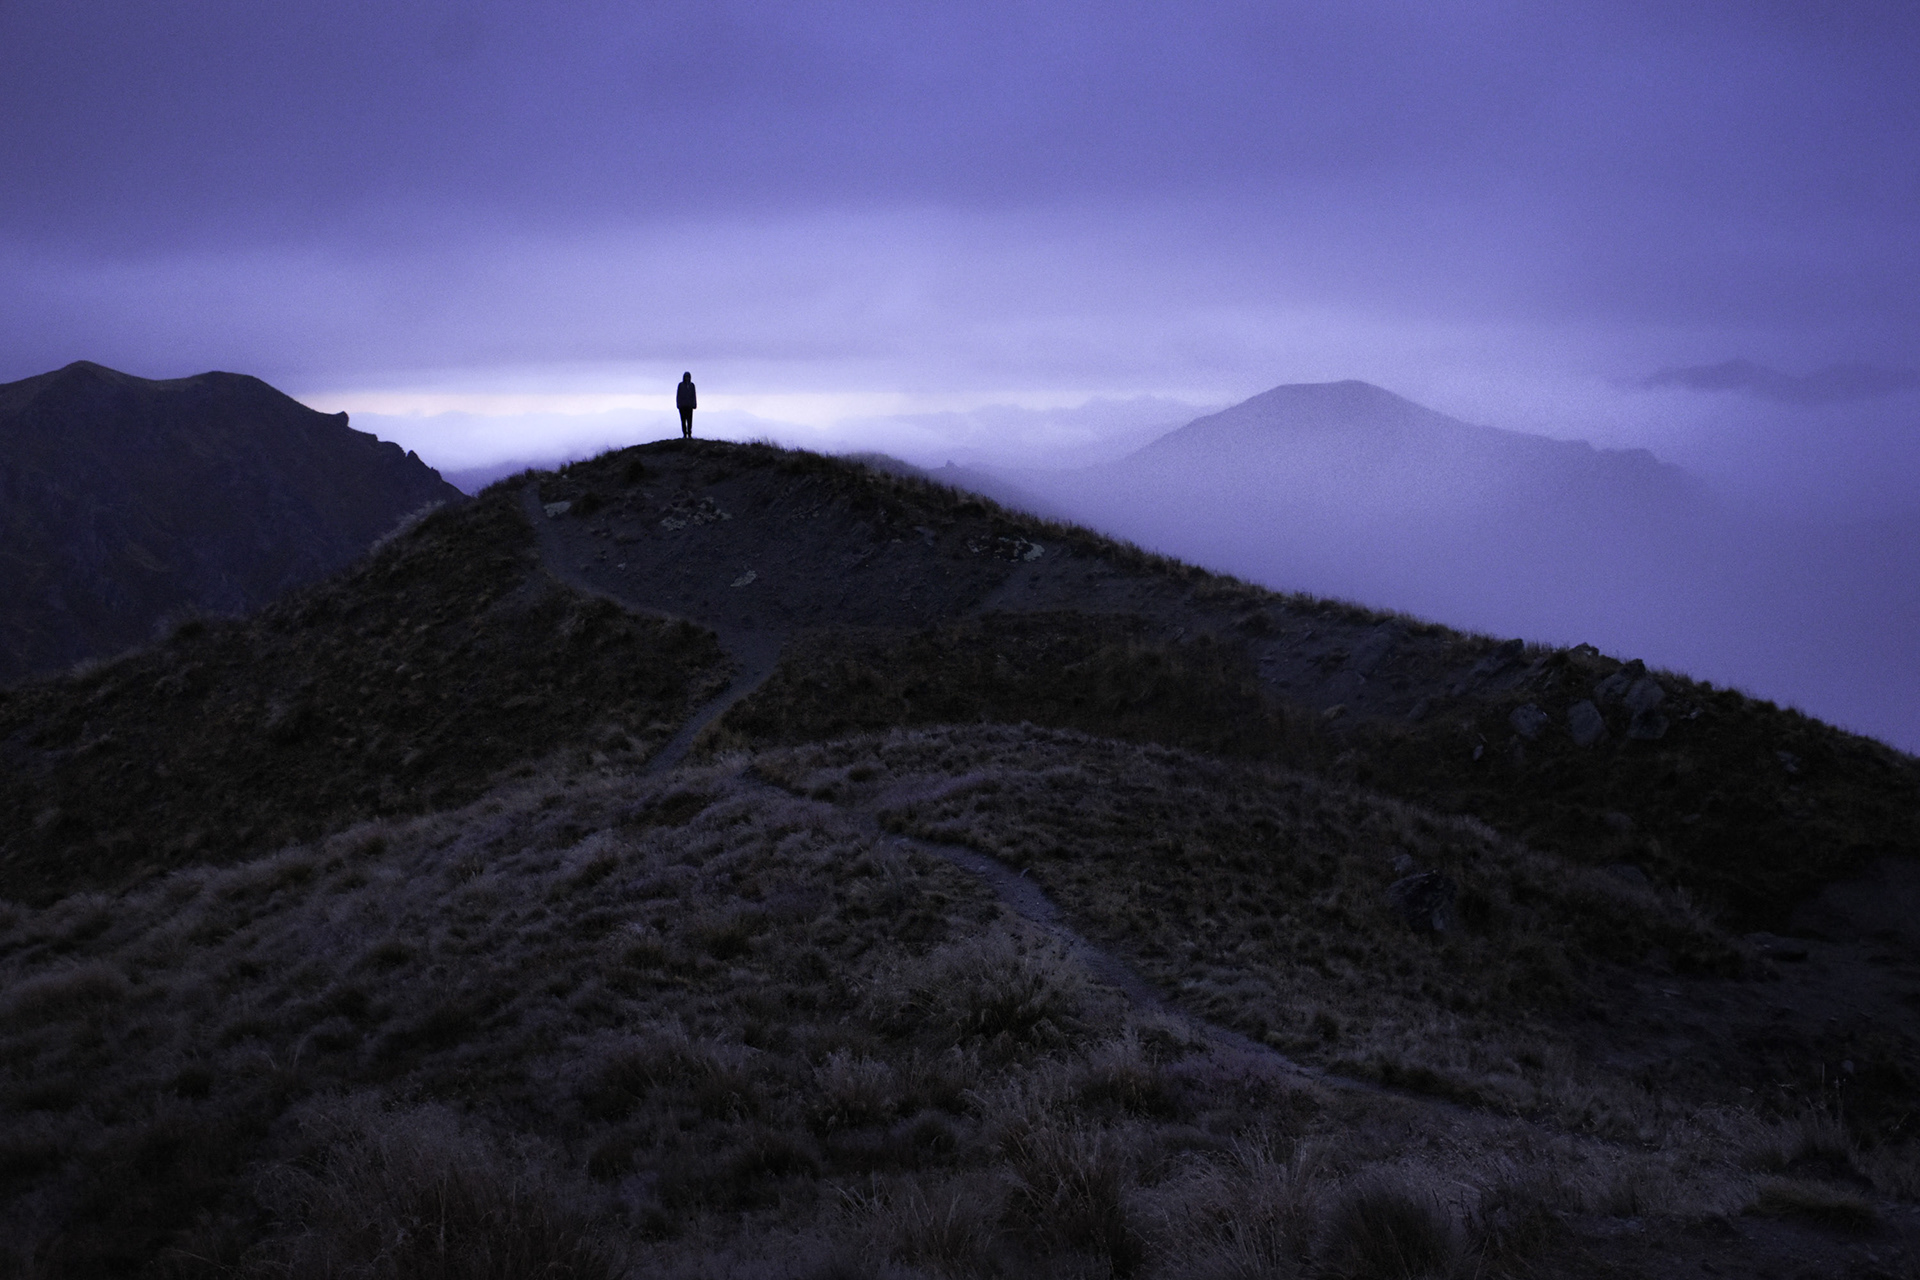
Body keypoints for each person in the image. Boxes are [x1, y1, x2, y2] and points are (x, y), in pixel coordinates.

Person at [676, 372, 696, 438]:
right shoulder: (680, 385)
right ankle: (685, 434)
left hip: (689, 406)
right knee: (683, 421)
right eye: (686, 377)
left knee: (690, 421)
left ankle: (689, 434)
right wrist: (678, 404)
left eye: (688, 377)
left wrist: (694, 404)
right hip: (682, 406)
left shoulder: (692, 385)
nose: (687, 378)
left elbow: (694, 395)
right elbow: (678, 395)